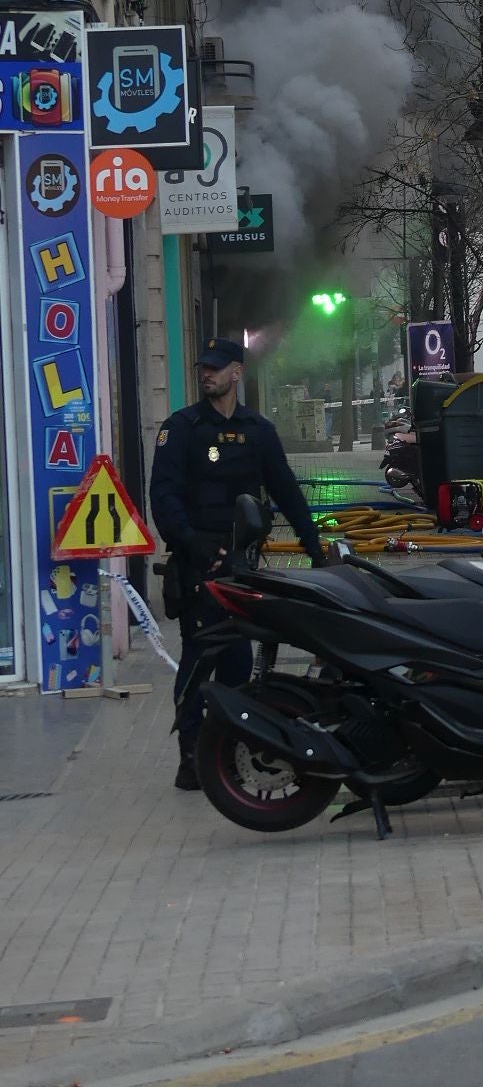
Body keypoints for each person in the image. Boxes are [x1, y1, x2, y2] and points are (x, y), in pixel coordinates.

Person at [150, 337, 326, 791]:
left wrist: (315, 549)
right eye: (202, 367)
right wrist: (195, 547)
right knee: (198, 657)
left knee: (239, 660)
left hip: (244, 563)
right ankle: (190, 757)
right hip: (200, 565)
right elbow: (164, 499)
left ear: (236, 373)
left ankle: (226, 746)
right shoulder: (182, 428)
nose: (205, 373)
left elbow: (286, 491)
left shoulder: (258, 431)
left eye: (215, 367)